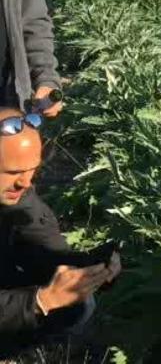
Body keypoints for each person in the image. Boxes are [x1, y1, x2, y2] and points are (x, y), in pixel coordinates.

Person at [0, 108, 121, 357]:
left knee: (77, 303)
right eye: (12, 172)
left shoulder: (18, 196)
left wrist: (93, 267)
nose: (24, 182)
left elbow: (48, 250)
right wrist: (41, 301)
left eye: (31, 169)